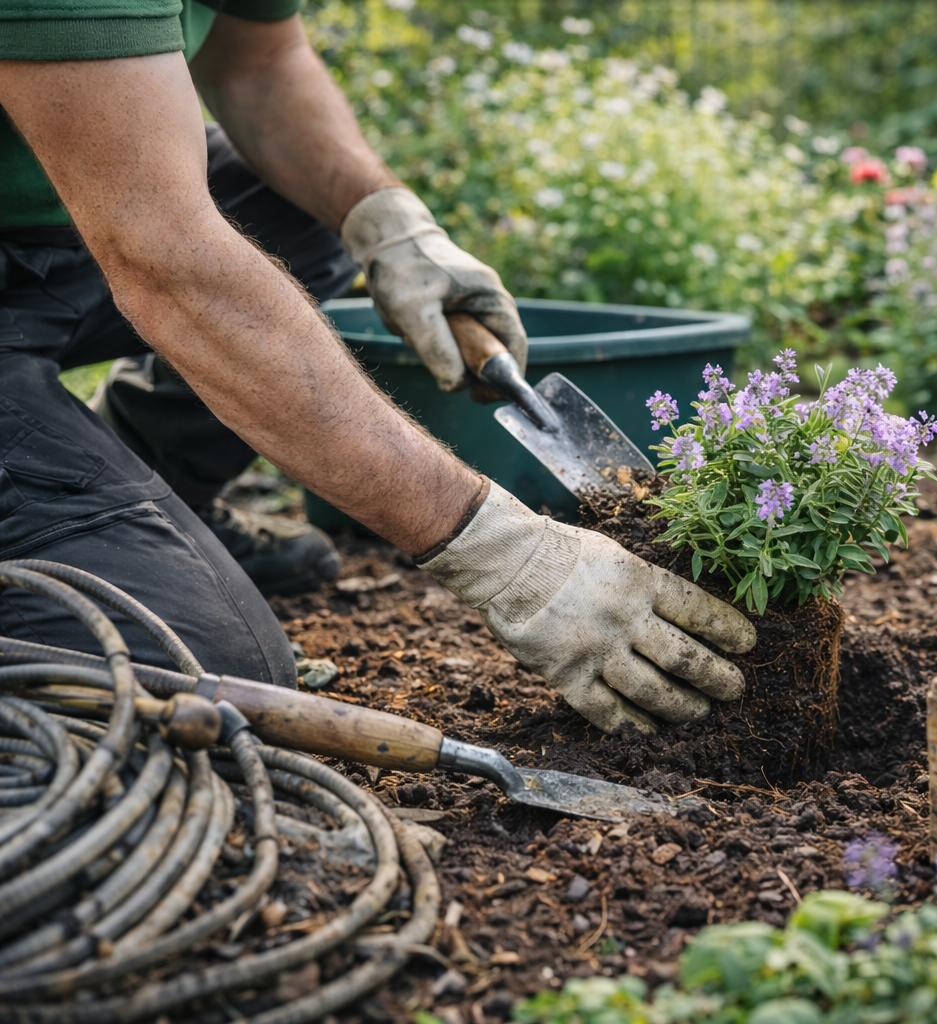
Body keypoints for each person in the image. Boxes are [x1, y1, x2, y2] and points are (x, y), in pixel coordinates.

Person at [0, 1, 754, 735]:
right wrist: (500, 552)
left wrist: (388, 223)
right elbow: (166, 258)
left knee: (296, 210)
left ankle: (150, 488)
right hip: (107, 237)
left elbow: (261, 61)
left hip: (54, 225)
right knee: (200, 664)